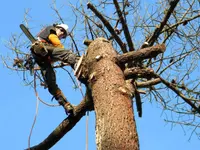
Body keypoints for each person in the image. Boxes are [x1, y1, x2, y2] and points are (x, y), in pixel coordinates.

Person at [30, 23, 81, 115]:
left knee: (51, 83)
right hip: (43, 47)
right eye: (62, 31)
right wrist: (61, 49)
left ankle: (65, 104)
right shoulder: (51, 30)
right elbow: (55, 41)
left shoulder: (49, 33)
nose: (62, 34)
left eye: (64, 35)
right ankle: (80, 63)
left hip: (42, 57)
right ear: (57, 28)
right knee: (66, 53)